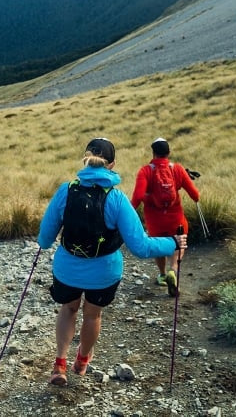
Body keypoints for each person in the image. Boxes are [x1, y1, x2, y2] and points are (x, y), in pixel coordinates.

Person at [37, 137, 188, 386]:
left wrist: (45, 242)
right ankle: (83, 359)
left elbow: (44, 239)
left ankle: (59, 364)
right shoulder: (116, 199)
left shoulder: (66, 190)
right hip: (104, 272)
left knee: (68, 309)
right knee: (92, 315)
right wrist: (173, 242)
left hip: (67, 269)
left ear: (85, 160)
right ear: (112, 164)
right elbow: (140, 246)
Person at [131, 137, 200, 297]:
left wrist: (129, 212)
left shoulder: (145, 171)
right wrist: (196, 198)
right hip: (175, 216)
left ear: (153, 153)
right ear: (168, 153)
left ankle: (162, 275)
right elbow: (194, 194)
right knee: (179, 241)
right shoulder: (177, 169)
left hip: (154, 218)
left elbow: (138, 196)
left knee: (158, 245)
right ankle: (173, 269)